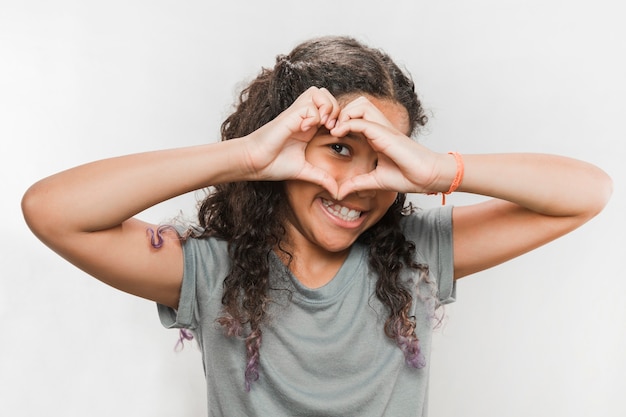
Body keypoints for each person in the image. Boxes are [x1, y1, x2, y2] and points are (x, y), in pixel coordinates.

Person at [21, 36, 612, 416]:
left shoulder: (418, 256)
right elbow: (52, 210)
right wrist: (246, 157)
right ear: (287, 142)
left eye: (381, 156)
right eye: (337, 150)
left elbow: (586, 193)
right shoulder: (207, 271)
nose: (355, 184)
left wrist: (435, 170)